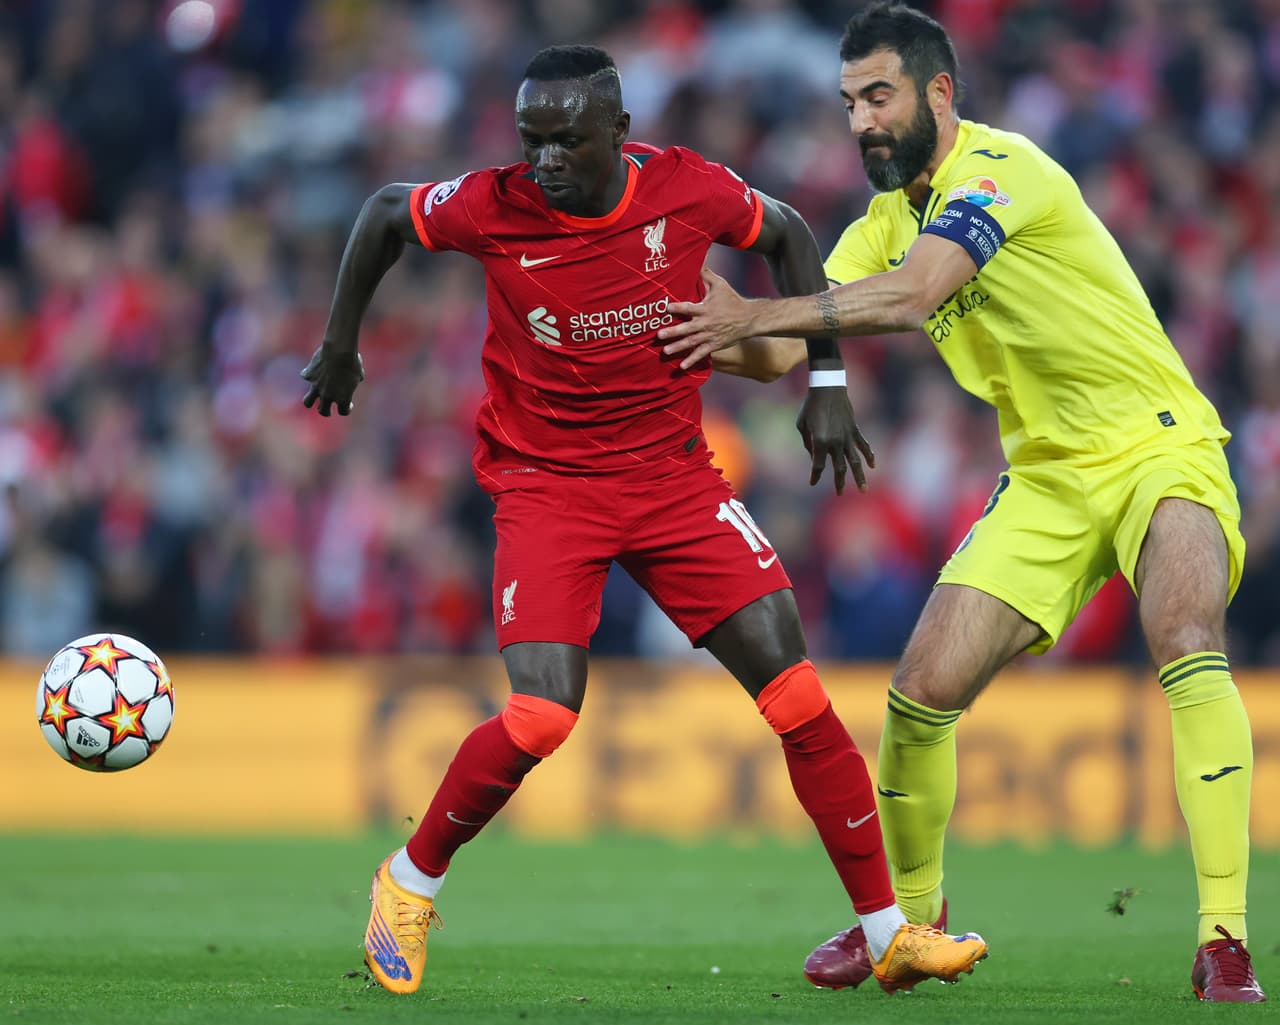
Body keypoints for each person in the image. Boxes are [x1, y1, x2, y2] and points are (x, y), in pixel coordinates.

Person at [300, 44, 988, 997]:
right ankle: (406, 882)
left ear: (618, 135)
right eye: (531, 140)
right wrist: (341, 346)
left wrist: (826, 380)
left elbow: (788, 234)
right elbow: (383, 213)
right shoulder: (493, 204)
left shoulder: (690, 190)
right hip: (547, 484)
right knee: (543, 712)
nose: (543, 162)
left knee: (796, 695)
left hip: (672, 480)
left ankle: (889, 932)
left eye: (566, 142)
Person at [657, 2, 1265, 1004]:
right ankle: (905, 923)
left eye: (878, 96)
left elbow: (908, 294)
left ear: (938, 93)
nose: (859, 121)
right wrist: (655, 326)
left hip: (1158, 441)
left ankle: (1221, 937)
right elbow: (776, 348)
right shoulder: (877, 224)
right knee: (919, 691)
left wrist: (761, 307)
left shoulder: (1001, 170)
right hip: (1045, 474)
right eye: (848, 102)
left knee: (1183, 631)